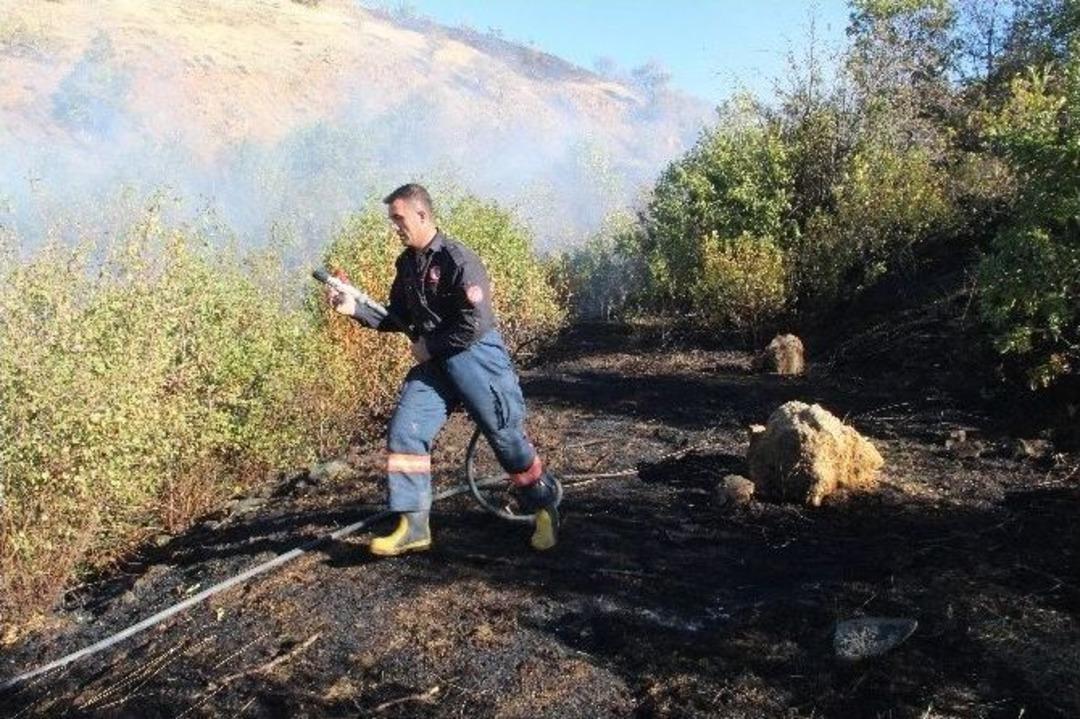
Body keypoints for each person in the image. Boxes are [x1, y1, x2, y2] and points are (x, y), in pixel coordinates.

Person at [327, 183, 561, 556]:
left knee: (506, 439)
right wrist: (354, 308)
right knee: (406, 430)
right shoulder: (407, 264)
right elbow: (399, 317)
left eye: (399, 219)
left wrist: (429, 346)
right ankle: (414, 526)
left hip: (477, 359)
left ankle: (544, 509)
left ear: (422, 215)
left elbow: (474, 323)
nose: (395, 227)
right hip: (436, 365)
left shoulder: (458, 260)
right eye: (392, 221)